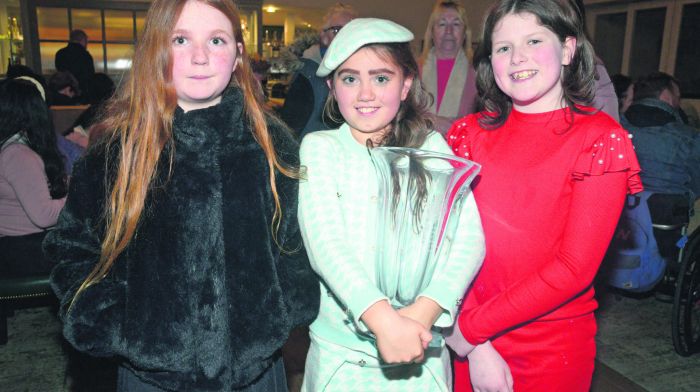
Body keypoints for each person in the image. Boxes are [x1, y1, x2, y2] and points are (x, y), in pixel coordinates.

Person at [44, 1, 319, 391]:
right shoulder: (117, 153)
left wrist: (280, 310)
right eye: (181, 39)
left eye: (217, 40)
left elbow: (295, 244)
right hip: (151, 376)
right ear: (157, 49)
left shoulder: (273, 147)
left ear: (238, 54)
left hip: (255, 374)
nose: (201, 56)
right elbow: (73, 247)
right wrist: (114, 327)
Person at [444, 0, 643, 390]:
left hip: (549, 347)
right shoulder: (467, 135)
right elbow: (443, 243)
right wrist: (473, 342)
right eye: (503, 47)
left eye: (534, 40)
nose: (518, 58)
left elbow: (573, 269)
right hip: (468, 334)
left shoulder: (600, 140)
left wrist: (469, 331)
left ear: (568, 49)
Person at [298, 18, 485, 391]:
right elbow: (325, 244)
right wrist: (385, 322)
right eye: (350, 79)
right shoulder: (321, 148)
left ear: (406, 85)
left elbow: (469, 240)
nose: (365, 93)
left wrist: (420, 314)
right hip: (343, 357)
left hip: (421, 351)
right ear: (332, 87)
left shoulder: (430, 147)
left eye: (381, 78)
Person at [0, 78, 67, 278]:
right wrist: (79, 193)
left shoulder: (10, 147)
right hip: (22, 250)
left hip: (12, 247)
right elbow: (44, 216)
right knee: (98, 252)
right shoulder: (19, 154)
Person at [278, 3, 356, 139]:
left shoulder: (359, 72)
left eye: (352, 30)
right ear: (324, 36)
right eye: (337, 30)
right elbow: (289, 131)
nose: (345, 36)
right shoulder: (308, 73)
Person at [622, 72, 700, 203]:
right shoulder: (688, 137)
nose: (678, 103)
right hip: (666, 216)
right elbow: (696, 183)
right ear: (666, 95)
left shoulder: (615, 126)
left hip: (619, 212)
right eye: (678, 97)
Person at [420, 0, 478, 135]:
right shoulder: (414, 71)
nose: (449, 31)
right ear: (432, 31)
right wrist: (433, 121)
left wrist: (455, 127)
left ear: (465, 33)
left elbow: (487, 120)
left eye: (456, 24)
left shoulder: (478, 73)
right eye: (442, 24)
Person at [55, 29, 95, 99]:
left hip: (63, 91)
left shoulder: (60, 54)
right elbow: (90, 76)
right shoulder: (85, 55)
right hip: (82, 92)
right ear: (82, 40)